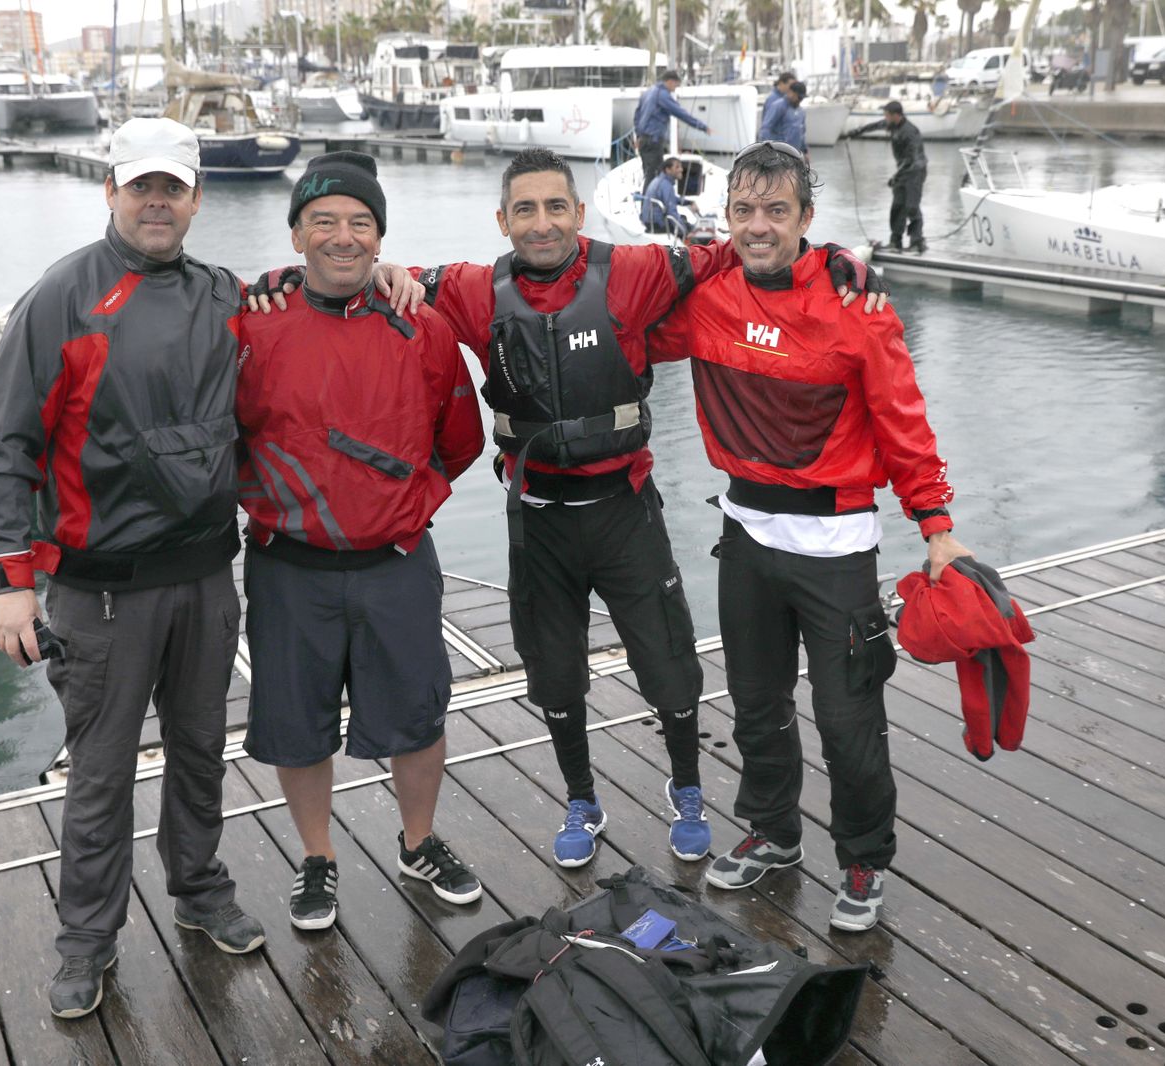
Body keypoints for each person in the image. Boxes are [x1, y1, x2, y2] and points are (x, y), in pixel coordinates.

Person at [250, 147, 888, 873]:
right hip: (540, 516)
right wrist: (283, 280)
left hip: (624, 509)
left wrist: (834, 256)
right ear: (503, 220)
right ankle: (581, 797)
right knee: (553, 675)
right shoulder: (468, 290)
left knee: (670, 667)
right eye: (525, 209)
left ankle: (686, 789)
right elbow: (373, 273)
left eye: (556, 206)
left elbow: (740, 249)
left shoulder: (637, 272)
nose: (542, 222)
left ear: (580, 214)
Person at [0, 117, 265, 1019]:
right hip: (97, 594)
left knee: (202, 752)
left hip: (208, 578)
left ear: (196, 198)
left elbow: (308, 318)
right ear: (110, 191)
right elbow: (3, 449)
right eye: (141, 186)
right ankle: (86, 943)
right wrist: (10, 581)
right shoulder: (61, 298)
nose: (157, 202)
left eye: (173, 187)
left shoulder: (228, 296)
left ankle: (200, 887)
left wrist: (391, 277)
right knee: (100, 776)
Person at [646, 141, 973, 934]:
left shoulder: (857, 308)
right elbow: (612, 314)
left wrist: (937, 527)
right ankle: (774, 832)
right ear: (726, 218)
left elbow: (904, 426)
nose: (759, 227)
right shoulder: (705, 297)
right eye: (745, 211)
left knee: (847, 717)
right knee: (757, 705)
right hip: (747, 537)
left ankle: (863, 858)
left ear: (806, 219)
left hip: (837, 550)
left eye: (777, 212)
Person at [234, 152, 486, 932]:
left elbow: (459, 440)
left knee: (419, 713)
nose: (342, 238)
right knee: (295, 719)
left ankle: (418, 842)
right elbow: (225, 432)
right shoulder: (252, 321)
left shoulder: (425, 326)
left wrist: (397, 502)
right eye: (324, 222)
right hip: (288, 566)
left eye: (360, 223)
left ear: (380, 239)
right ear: (297, 234)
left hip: (397, 563)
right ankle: (318, 858)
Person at [847, 100, 928, 254]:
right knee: (897, 206)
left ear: (896, 115)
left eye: (887, 116)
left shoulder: (910, 132)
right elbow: (874, 126)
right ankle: (895, 242)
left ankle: (917, 242)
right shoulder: (892, 125)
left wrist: (896, 175)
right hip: (903, 172)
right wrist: (856, 132)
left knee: (911, 207)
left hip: (915, 171)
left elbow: (912, 158)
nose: (885, 119)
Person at [633, 69, 710, 190]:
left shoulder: (647, 93)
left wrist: (638, 136)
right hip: (653, 141)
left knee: (648, 174)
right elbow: (680, 113)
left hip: (643, 141)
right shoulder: (662, 95)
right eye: (676, 85)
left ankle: (648, 203)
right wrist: (703, 127)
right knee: (655, 176)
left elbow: (637, 116)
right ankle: (649, 206)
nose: (675, 88)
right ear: (669, 82)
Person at [641, 155, 687, 235]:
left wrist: (688, 202)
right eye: (677, 167)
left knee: (682, 218)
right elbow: (671, 211)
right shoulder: (666, 185)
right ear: (668, 170)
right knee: (685, 224)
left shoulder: (660, 180)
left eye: (681, 167)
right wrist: (684, 231)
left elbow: (671, 198)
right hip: (656, 224)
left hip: (648, 220)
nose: (681, 169)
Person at [778, 80, 811, 162]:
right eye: (799, 97)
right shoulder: (779, 106)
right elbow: (766, 130)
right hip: (781, 154)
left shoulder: (801, 112)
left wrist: (805, 151)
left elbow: (802, 133)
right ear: (790, 92)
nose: (800, 100)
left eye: (802, 98)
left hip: (796, 154)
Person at [758, 71, 796, 141]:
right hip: (774, 142)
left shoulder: (785, 98)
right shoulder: (773, 100)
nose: (792, 88)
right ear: (781, 83)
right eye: (790, 85)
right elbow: (766, 126)